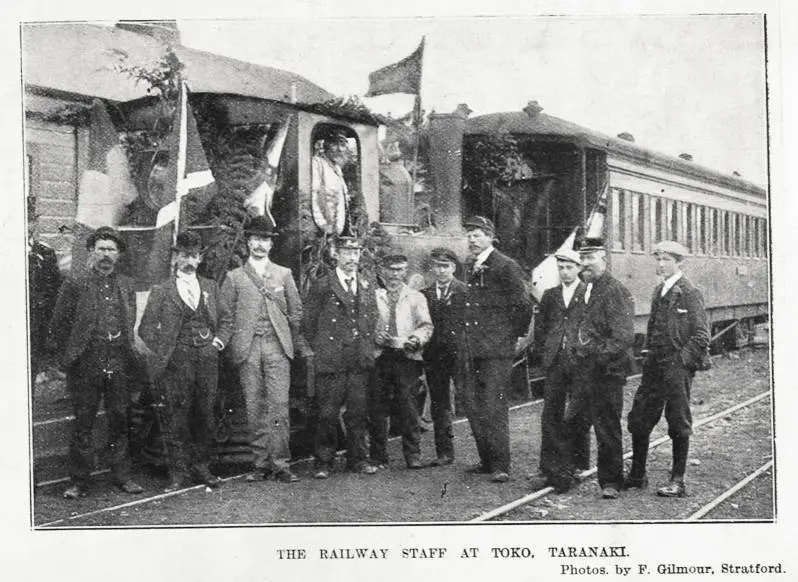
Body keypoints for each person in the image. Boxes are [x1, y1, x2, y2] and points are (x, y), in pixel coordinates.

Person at [49, 226, 144, 499]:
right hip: (86, 363)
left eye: (111, 250)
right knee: (84, 422)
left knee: (119, 418)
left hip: (118, 360)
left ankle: (122, 476)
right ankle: (79, 480)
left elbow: (130, 322)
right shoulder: (76, 283)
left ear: (119, 255)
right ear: (91, 252)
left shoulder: (126, 284)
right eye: (100, 249)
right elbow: (59, 324)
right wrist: (69, 357)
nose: (105, 254)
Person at [138, 231, 232, 492]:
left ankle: (202, 467)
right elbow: (146, 328)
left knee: (205, 414)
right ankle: (178, 474)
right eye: (183, 255)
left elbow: (226, 320)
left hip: (207, 359)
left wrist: (217, 343)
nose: (189, 260)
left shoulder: (211, 287)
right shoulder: (162, 290)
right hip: (177, 362)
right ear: (176, 258)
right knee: (176, 416)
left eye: (193, 255)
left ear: (200, 258)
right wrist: (167, 347)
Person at [219, 216, 307, 484]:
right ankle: (260, 464)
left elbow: (296, 311)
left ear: (271, 245)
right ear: (248, 243)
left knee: (279, 406)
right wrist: (236, 343)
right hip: (248, 348)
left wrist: (288, 339)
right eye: (255, 239)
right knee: (254, 405)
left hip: (277, 347)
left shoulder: (284, 274)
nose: (260, 244)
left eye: (265, 240)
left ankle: (281, 463)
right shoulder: (234, 277)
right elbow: (226, 315)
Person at [625, 241, 710, 498]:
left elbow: (701, 334)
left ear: (679, 262)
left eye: (667, 260)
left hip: (676, 367)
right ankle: (638, 475)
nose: (661, 264)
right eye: (658, 259)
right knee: (639, 418)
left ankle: (678, 481)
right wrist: (648, 352)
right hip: (654, 366)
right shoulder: (659, 290)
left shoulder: (689, 292)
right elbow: (654, 328)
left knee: (678, 421)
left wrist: (682, 361)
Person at [461, 216, 532, 483]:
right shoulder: (470, 265)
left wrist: (513, 336)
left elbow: (523, 305)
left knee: (494, 405)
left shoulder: (505, 266)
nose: (472, 239)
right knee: (474, 405)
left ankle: (501, 464)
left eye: (477, 235)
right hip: (473, 347)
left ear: (491, 237)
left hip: (496, 349)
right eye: (469, 235)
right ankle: (486, 460)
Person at [304, 236, 378, 479]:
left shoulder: (366, 284)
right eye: (347, 253)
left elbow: (371, 319)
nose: (352, 258)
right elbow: (309, 324)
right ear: (335, 254)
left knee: (358, 413)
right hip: (332, 359)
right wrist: (325, 348)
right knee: (327, 413)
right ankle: (323, 462)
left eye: (355, 253)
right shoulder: (323, 285)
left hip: (358, 359)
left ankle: (358, 459)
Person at [570, 237, 635, 499]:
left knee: (607, 426)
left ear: (604, 260)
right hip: (584, 369)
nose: (585, 264)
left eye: (591, 258)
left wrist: (594, 356)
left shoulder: (614, 290)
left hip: (607, 371)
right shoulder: (583, 288)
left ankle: (611, 481)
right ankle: (576, 467)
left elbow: (622, 337)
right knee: (575, 419)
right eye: (582, 259)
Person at [528, 249, 590, 492]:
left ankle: (577, 463)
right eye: (561, 268)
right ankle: (548, 466)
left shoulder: (587, 293)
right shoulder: (550, 296)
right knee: (551, 412)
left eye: (569, 268)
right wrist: (545, 352)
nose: (565, 272)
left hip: (579, 360)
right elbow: (542, 327)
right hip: (555, 360)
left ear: (578, 269)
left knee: (578, 411)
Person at [370, 254, 434, 469]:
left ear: (405, 272)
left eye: (399, 270)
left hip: (406, 357)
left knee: (408, 407)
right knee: (378, 407)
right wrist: (375, 336)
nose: (394, 275)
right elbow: (366, 323)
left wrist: (416, 339)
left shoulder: (416, 297)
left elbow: (426, 326)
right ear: (382, 271)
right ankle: (378, 456)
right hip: (380, 356)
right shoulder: (374, 295)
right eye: (390, 270)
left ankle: (413, 454)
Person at [421, 247, 467, 466]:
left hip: (460, 355)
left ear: (453, 268)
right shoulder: (425, 294)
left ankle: (485, 454)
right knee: (440, 405)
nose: (440, 271)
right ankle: (445, 453)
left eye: (445, 266)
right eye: (437, 266)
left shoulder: (464, 292)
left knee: (469, 400)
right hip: (435, 357)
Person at [27, 209, 61, 385]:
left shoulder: (45, 252)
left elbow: (54, 289)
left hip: (37, 319)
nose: (27, 225)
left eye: (31, 220)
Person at [311, 132, 351, 236]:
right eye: (335, 144)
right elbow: (312, 195)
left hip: (336, 232)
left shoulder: (337, 168)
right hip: (321, 231)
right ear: (326, 145)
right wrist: (322, 224)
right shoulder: (317, 163)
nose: (339, 149)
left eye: (342, 145)